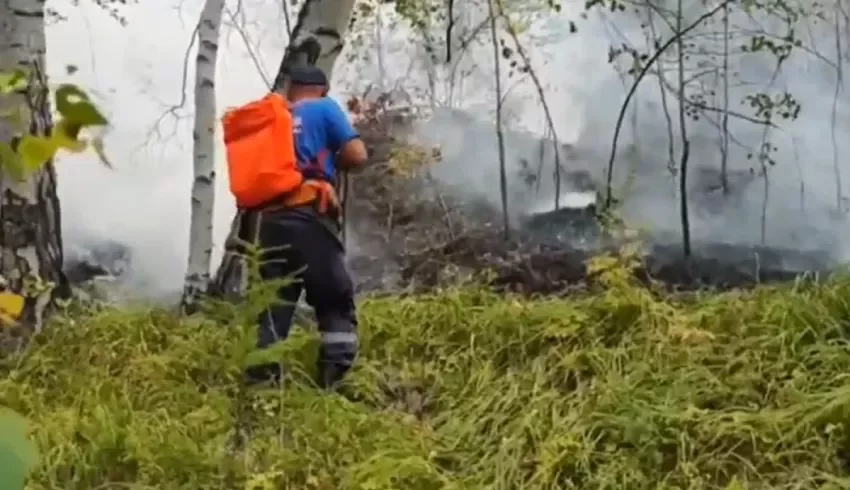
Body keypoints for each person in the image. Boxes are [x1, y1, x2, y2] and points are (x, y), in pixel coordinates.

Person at [242, 64, 368, 389]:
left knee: (274, 302)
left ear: (290, 87)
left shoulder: (270, 120)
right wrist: (335, 161)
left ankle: (262, 389)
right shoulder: (324, 107)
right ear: (322, 89)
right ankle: (333, 382)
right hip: (309, 216)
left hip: (269, 223)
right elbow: (357, 155)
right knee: (334, 297)